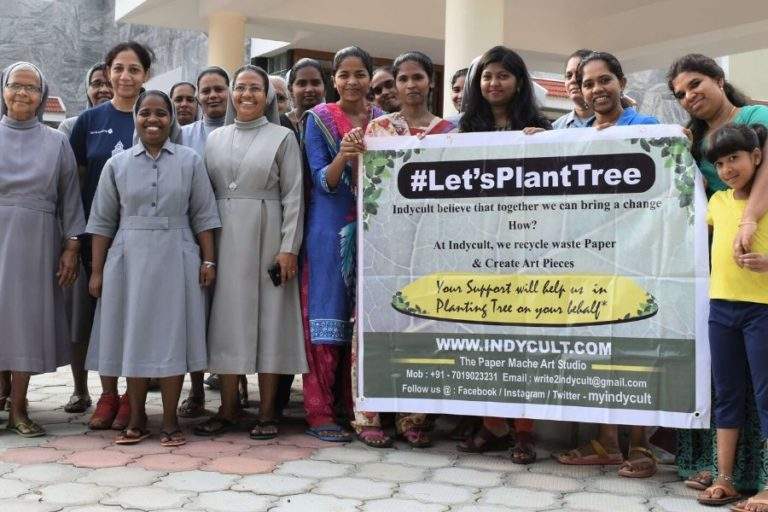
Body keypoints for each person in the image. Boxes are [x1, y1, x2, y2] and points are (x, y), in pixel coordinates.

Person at [86, 89, 219, 446]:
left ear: (171, 118)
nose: (153, 119)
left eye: (161, 113)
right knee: (136, 336)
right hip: (129, 257)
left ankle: (172, 421)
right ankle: (139, 417)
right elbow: (101, 222)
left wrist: (208, 260)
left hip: (178, 254)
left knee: (172, 336)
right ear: (136, 118)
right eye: (145, 113)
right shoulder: (118, 163)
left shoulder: (190, 160)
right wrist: (97, 271)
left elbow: (204, 215)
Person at [554, 51, 660, 477]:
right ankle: (607, 441)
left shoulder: (647, 128)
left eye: (605, 80)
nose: (597, 89)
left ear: (621, 82)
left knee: (634, 346)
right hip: (590, 257)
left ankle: (641, 446)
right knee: (600, 347)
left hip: (636, 252)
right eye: (588, 82)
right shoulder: (575, 135)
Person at [668, 53, 768, 495]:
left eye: (695, 84)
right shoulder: (697, 145)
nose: (689, 96)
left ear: (719, 79)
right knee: (724, 384)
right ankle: (723, 471)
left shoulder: (756, 116)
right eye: (680, 93)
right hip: (719, 288)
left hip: (760, 293)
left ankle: (760, 478)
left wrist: (749, 222)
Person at [195, 65, 306, 440]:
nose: (246, 94)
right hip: (224, 238)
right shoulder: (214, 139)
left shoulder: (282, 137)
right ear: (231, 93)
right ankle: (227, 409)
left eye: (255, 89)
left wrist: (288, 249)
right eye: (240, 87)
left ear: (268, 96)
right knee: (226, 322)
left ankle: (269, 411)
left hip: (268, 236)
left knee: (272, 322)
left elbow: (293, 196)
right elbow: (203, 196)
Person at [351, 50, 455, 448]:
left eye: (418, 77)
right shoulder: (377, 130)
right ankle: (370, 415)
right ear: (394, 85)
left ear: (431, 82)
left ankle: (414, 418)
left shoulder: (451, 133)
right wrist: (352, 151)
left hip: (432, 246)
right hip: (382, 243)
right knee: (375, 324)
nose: (411, 85)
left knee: (421, 324)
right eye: (403, 78)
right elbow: (364, 188)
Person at [456, 45, 550, 464]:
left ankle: (524, 430)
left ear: (519, 82)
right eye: (487, 76)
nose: (494, 83)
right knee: (484, 336)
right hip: (479, 246)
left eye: (503, 76)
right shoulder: (464, 130)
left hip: (529, 249)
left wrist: (547, 144)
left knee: (525, 339)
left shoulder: (542, 127)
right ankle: (492, 422)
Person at [302, 46, 384, 442]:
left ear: (371, 78)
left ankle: (363, 409)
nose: (352, 82)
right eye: (344, 74)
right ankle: (320, 411)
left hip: (376, 229)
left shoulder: (386, 122)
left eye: (360, 74)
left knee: (369, 318)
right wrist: (345, 155)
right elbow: (321, 180)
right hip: (330, 227)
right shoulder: (317, 119)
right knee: (327, 314)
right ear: (334, 80)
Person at [70, 40, 153, 431]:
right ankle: (107, 393)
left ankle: (133, 397)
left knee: (137, 315)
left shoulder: (155, 115)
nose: (125, 76)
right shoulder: (89, 120)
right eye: (118, 68)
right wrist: (74, 239)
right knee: (101, 317)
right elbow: (76, 184)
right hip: (98, 237)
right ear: (107, 72)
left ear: (145, 76)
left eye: (134, 69)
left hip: (147, 238)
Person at [0, 62, 85, 437]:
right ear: (3, 89)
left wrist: (71, 247)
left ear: (42, 95)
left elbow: (70, 200)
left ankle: (19, 408)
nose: (22, 93)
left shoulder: (57, 142)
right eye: (15, 85)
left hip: (37, 241)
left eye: (31, 88)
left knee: (26, 323)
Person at [692, 123, 768, 510]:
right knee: (727, 394)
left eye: (734, 158)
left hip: (763, 310)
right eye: (719, 163)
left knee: (765, 394)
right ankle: (725, 478)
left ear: (757, 157)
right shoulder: (718, 202)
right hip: (720, 308)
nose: (727, 169)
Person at [176, 65, 233, 418]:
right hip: (192, 235)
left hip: (235, 231)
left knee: (230, 310)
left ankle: (235, 388)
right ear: (198, 96)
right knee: (195, 311)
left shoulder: (239, 129)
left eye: (218, 89)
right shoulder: (182, 135)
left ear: (229, 91)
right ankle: (196, 390)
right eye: (206, 90)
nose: (212, 95)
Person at [58, 62, 113, 138]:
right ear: (87, 89)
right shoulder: (70, 127)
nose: (104, 90)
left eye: (111, 84)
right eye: (97, 84)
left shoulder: (132, 125)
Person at [282, 58, 326, 138]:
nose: (309, 89)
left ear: (324, 88)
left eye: (315, 83)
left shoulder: (334, 122)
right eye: (302, 84)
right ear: (290, 89)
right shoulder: (280, 125)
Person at [552, 49, 595, 129]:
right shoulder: (556, 127)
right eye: (569, 76)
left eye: (579, 75)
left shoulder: (618, 122)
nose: (573, 80)